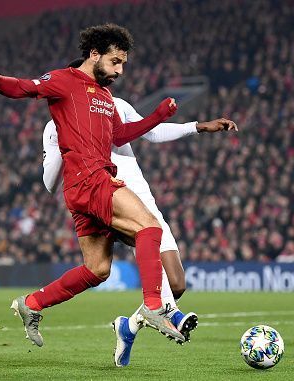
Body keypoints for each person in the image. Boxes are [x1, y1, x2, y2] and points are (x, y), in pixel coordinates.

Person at [0, 23, 186, 347]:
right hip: (90, 179)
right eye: (115, 61)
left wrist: (156, 116)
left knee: (97, 269)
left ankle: (32, 303)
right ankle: (154, 306)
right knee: (150, 227)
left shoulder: (106, 96)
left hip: (83, 189)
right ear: (94, 54)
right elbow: (26, 87)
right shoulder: (64, 81)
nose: (120, 70)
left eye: (123, 63)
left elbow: (119, 136)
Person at [42, 80, 237, 366]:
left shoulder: (115, 104)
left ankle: (129, 326)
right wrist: (63, 141)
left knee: (176, 282)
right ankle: (169, 314)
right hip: (109, 199)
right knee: (138, 260)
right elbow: (50, 183)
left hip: (144, 199)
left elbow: (152, 132)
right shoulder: (54, 126)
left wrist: (196, 126)